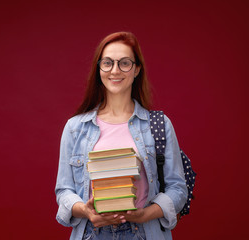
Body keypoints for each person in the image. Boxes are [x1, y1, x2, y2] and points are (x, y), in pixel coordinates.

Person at [55, 32, 188, 240]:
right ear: (99, 69)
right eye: (107, 63)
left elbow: (178, 189)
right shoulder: (75, 128)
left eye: (124, 63)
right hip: (92, 233)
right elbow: (64, 191)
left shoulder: (159, 125)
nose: (115, 70)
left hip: (144, 233)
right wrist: (86, 210)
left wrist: (144, 215)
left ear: (136, 70)